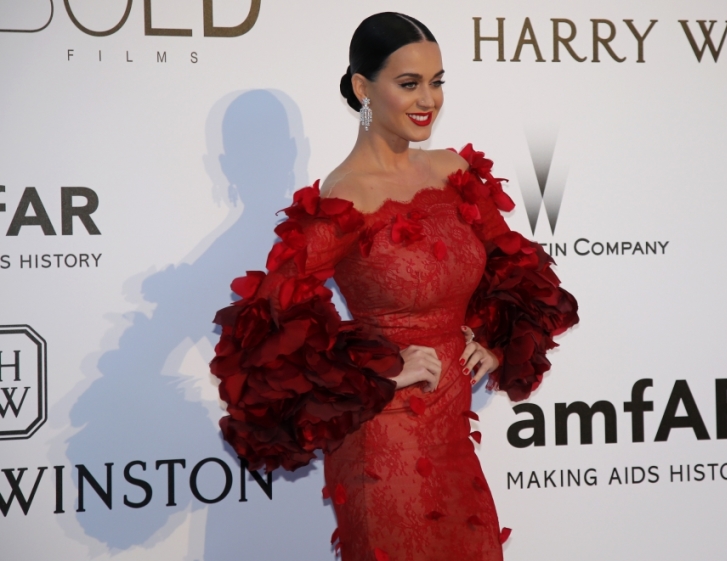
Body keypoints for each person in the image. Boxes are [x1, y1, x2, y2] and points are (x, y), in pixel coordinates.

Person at [210, 12, 578, 561]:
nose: (428, 99)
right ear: (363, 88)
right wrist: (376, 368)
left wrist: (494, 337)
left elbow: (521, 272)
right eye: (409, 84)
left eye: (437, 82)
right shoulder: (345, 197)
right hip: (383, 440)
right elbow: (272, 319)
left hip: (452, 429)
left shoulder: (455, 173)